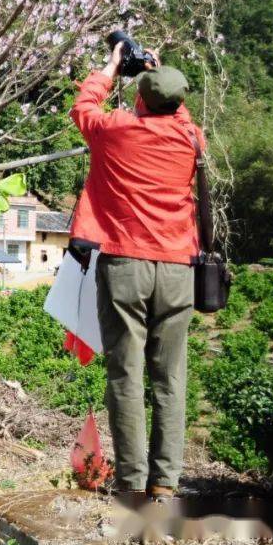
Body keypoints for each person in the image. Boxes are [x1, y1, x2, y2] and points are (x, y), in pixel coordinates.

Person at [70, 41, 204, 504]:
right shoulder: (191, 137)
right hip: (177, 270)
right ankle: (164, 484)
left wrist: (111, 66)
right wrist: (160, 73)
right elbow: (178, 112)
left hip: (124, 264)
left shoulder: (115, 129)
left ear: (142, 98)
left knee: (125, 374)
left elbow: (84, 105)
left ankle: (130, 483)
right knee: (171, 378)